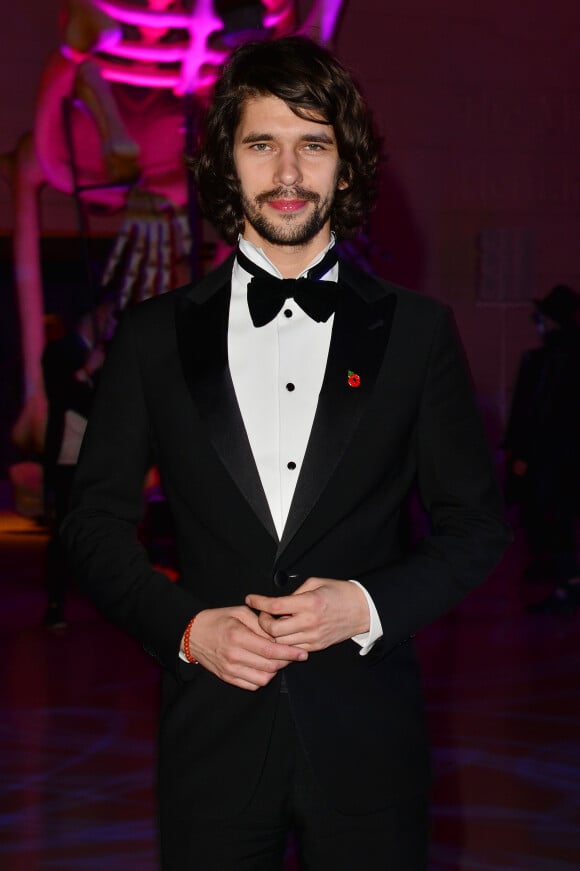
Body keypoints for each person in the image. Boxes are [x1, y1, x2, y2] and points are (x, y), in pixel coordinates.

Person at [62, 36, 510, 870]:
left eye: (314, 143)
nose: (289, 172)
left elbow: (475, 527)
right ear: (227, 165)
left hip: (370, 740)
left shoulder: (417, 332)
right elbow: (92, 525)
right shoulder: (154, 337)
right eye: (261, 144)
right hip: (212, 741)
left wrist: (366, 607)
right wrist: (190, 629)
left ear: (347, 164)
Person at [504, 284, 580, 615]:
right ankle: (563, 577)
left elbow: (538, 412)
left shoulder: (552, 359)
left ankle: (568, 584)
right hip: (558, 457)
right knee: (555, 519)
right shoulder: (551, 356)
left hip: (552, 459)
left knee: (556, 519)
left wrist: (522, 454)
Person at [42, 293, 116, 629]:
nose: (112, 321)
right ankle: (56, 602)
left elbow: (112, 407)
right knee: (63, 529)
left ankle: (104, 597)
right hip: (69, 455)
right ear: (93, 315)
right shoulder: (58, 352)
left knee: (103, 529)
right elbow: (63, 396)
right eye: (108, 314)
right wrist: (87, 371)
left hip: (101, 458)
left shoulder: (112, 354)